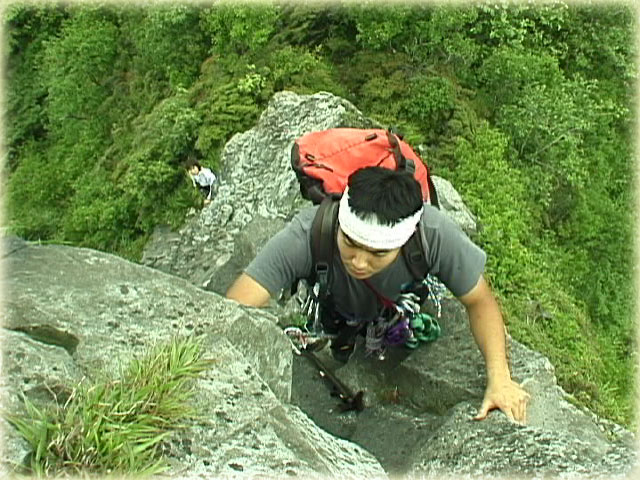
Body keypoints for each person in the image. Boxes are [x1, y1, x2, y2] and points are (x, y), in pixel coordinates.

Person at [226, 166, 530, 424]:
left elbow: (479, 300)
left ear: (405, 240)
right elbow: (232, 309)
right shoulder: (309, 232)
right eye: (350, 242)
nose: (359, 261)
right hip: (337, 303)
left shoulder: (433, 234)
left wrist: (500, 377)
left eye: (377, 253)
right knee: (340, 334)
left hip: (399, 303)